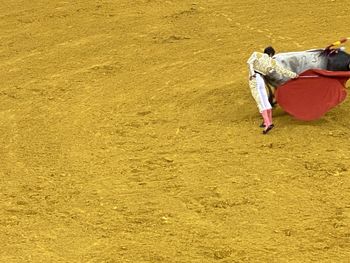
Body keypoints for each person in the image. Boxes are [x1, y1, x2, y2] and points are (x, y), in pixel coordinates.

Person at [247, 46, 298, 134]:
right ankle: (269, 122)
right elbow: (283, 71)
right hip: (261, 81)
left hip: (255, 79)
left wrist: (252, 74)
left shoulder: (256, 54)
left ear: (265, 52)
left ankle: (267, 124)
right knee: (265, 101)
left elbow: (249, 62)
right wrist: (294, 75)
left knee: (260, 101)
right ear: (271, 54)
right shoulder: (272, 61)